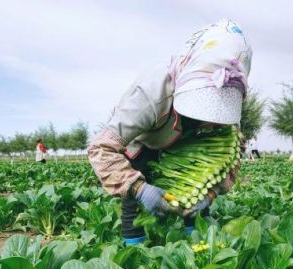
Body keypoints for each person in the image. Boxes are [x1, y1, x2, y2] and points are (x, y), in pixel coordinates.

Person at [88, 19, 252, 245]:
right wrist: (138, 188)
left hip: (188, 143)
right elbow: (101, 149)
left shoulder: (228, 103)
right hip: (145, 138)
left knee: (198, 200)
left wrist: (211, 193)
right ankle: (133, 249)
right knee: (134, 200)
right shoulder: (152, 91)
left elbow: (233, 155)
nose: (207, 117)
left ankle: (198, 243)